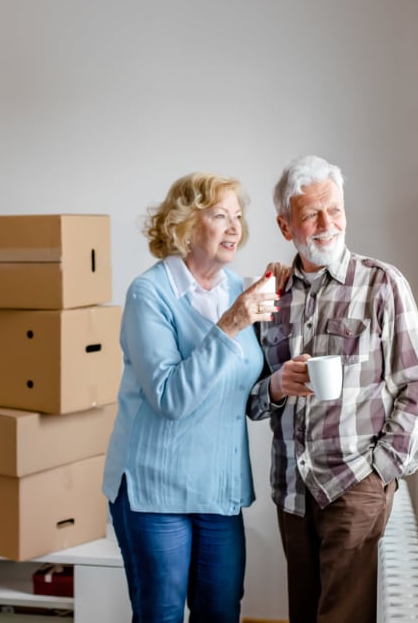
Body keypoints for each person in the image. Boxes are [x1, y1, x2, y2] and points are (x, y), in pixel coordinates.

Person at [248, 155, 418, 623]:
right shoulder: (271, 295)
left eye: (334, 209)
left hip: (355, 486)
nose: (326, 224)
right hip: (291, 491)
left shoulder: (383, 284)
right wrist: (275, 385)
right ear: (285, 225)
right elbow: (248, 398)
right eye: (310, 214)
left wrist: (381, 470)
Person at [102, 171, 286, 623]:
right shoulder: (149, 294)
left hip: (218, 487)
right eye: (219, 215)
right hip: (154, 489)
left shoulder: (237, 289)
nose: (234, 227)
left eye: (238, 216)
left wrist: (280, 382)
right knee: (160, 615)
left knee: (222, 612)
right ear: (184, 224)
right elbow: (170, 397)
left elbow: (244, 384)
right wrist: (231, 324)